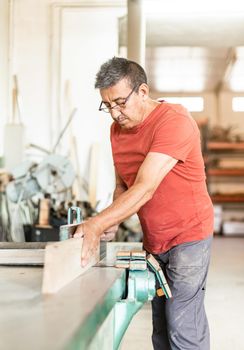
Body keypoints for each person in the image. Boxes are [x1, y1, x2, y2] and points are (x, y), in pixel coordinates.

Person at [74, 56, 214, 350]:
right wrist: (111, 222)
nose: (114, 113)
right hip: (155, 240)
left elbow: (146, 186)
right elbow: (123, 185)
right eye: (107, 105)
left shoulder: (174, 121)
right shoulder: (116, 131)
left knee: (183, 325)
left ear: (143, 91)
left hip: (189, 237)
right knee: (161, 327)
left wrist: (97, 224)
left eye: (120, 102)